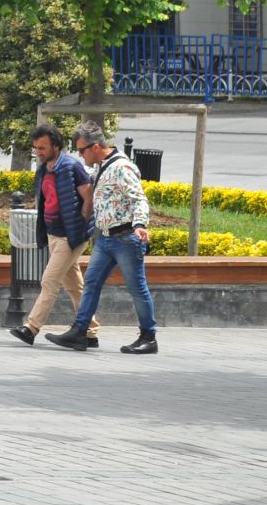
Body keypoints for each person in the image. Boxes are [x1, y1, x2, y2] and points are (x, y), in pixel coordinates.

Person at [47, 121, 158, 355]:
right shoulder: (102, 165)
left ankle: (148, 337)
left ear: (95, 146)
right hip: (106, 239)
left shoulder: (121, 167)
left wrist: (139, 224)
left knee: (137, 288)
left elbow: (139, 198)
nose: (80, 155)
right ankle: (80, 331)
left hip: (126, 237)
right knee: (91, 283)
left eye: (82, 150)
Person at [10, 123, 97, 346]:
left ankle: (31, 328)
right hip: (53, 234)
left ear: (56, 146)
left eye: (43, 148)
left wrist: (80, 227)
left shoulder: (71, 167)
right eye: (36, 148)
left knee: (49, 281)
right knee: (74, 286)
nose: (39, 152)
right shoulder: (43, 170)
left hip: (70, 236)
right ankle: (90, 332)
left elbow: (89, 197)